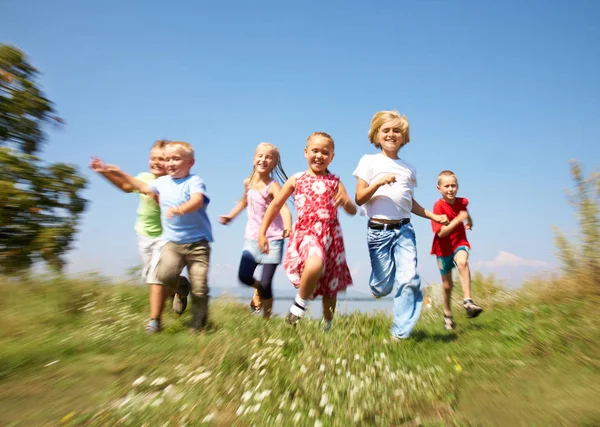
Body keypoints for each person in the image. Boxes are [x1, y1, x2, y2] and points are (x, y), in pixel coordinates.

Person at [353, 110, 449, 340]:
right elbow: (359, 198)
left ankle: (400, 333)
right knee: (384, 286)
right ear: (376, 136)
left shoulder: (408, 168)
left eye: (397, 131)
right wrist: (378, 182)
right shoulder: (369, 161)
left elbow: (408, 202)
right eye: (386, 130)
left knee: (408, 279)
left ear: (404, 137)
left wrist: (432, 216)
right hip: (378, 232)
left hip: (405, 230)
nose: (391, 134)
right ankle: (378, 288)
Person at [106, 141, 213, 333]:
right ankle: (180, 285)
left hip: (198, 244)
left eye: (176, 159)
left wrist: (181, 209)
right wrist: (120, 173)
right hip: (172, 243)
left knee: (200, 288)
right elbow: (142, 187)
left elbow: (197, 200)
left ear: (190, 162)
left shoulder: (194, 181)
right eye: (168, 159)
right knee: (164, 275)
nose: (170, 163)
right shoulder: (162, 183)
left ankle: (198, 326)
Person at [89, 140, 190, 333]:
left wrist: (121, 172)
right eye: (153, 158)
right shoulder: (144, 176)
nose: (156, 162)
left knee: (156, 278)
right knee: (157, 279)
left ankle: (154, 322)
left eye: (162, 159)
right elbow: (126, 186)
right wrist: (104, 172)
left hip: (166, 237)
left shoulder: (172, 183)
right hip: (144, 235)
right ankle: (180, 285)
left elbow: (162, 201)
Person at [259, 132, 356, 331]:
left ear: (332, 156)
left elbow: (352, 210)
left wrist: (346, 202)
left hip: (331, 237)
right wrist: (262, 232)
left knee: (331, 285)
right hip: (307, 233)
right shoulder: (297, 179)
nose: (319, 155)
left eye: (325, 152)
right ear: (306, 153)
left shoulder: (335, 182)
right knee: (315, 261)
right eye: (315, 151)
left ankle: (327, 326)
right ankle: (299, 304)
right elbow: (276, 205)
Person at [218, 142, 292, 319]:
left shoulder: (273, 186)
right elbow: (244, 202)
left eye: (269, 157)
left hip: (273, 239)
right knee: (244, 276)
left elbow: (283, 208)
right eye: (260, 155)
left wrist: (288, 226)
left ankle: (266, 320)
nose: (263, 159)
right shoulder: (248, 183)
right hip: (251, 238)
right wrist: (230, 216)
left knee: (267, 282)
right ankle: (257, 289)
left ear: (274, 163)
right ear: (254, 159)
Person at [431, 170, 483, 330]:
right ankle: (447, 314)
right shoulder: (438, 206)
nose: (450, 189)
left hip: (460, 242)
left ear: (457, 187)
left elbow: (465, 213)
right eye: (446, 186)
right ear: (439, 188)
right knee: (447, 286)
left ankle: (468, 301)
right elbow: (441, 232)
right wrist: (458, 220)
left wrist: (470, 221)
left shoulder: (462, 202)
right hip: (442, 249)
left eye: (453, 185)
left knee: (463, 262)